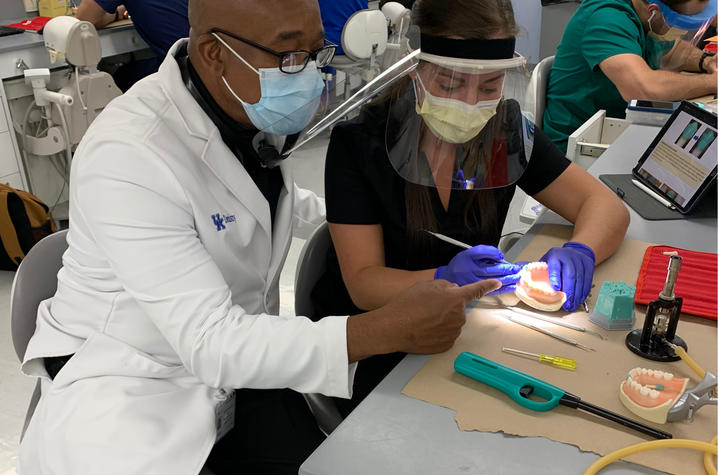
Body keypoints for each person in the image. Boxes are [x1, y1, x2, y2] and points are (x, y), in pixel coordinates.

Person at [17, 0, 501, 474]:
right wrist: (385, 329)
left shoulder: (239, 107)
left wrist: (362, 216)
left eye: (317, 53)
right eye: (291, 57)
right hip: (133, 389)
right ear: (214, 52)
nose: (311, 74)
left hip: (237, 371)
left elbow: (254, 203)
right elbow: (211, 341)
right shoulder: (127, 154)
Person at [310, 0, 631, 416]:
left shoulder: (505, 127)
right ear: (415, 67)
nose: (470, 102)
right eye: (449, 84)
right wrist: (442, 278)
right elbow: (364, 284)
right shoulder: (359, 144)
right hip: (388, 343)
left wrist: (581, 250)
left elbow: (604, 205)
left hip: (470, 332)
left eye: (489, 86)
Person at [543, 0, 718, 153]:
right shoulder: (607, 18)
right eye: (678, 24)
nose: (679, 32)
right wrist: (711, 82)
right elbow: (644, 89)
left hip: (621, 130)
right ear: (653, 11)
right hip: (577, 148)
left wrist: (707, 61)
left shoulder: (643, 17)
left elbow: (672, 50)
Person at [76, 0, 190, 89]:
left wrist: (115, 15)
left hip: (184, 71)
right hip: (200, 57)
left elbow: (83, 19)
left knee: (118, 77)